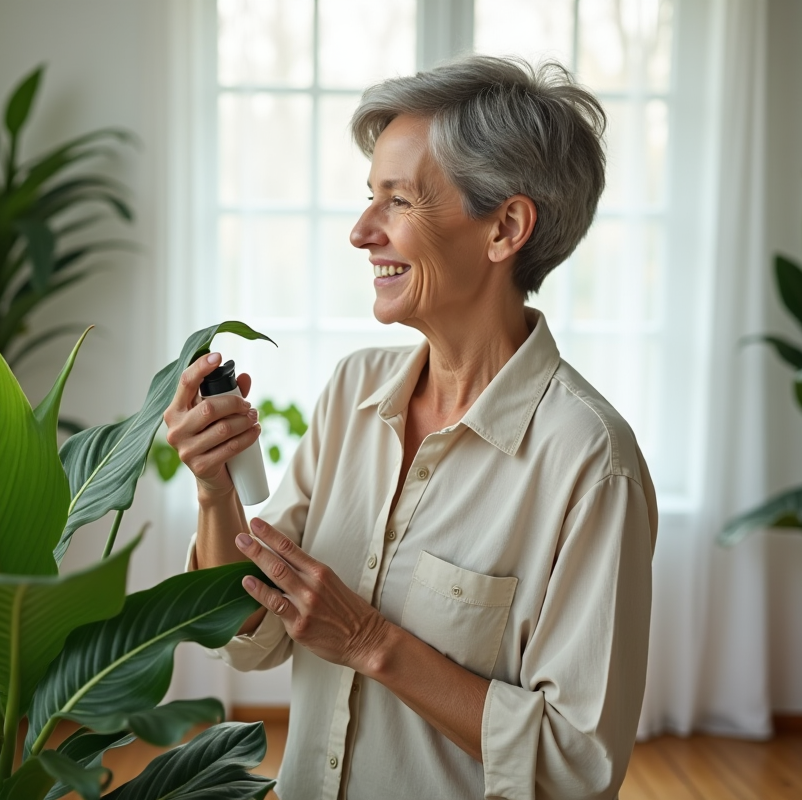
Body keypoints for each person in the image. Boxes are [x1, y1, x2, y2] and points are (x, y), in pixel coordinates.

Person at [164, 55, 657, 800]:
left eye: (397, 201)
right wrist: (213, 490)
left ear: (506, 229)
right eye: (370, 198)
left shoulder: (590, 462)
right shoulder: (353, 394)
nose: (363, 231)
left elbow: (575, 766)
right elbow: (251, 635)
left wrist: (370, 642)